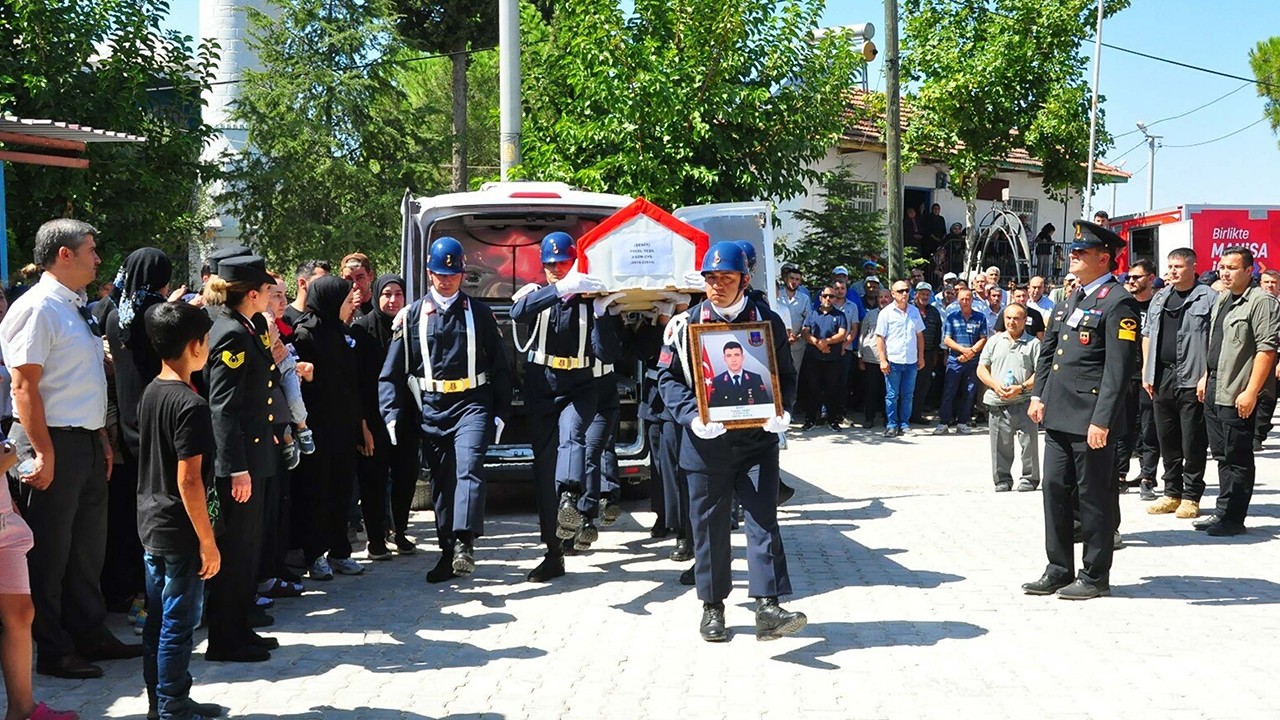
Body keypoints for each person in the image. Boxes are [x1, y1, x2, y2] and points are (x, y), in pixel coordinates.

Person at [1, 219, 141, 680]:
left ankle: (89, 632)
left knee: (85, 550)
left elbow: (82, 382)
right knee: (49, 554)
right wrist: (43, 453)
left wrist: (99, 436)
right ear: (64, 254)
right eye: (91, 249)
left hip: (80, 439)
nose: (98, 258)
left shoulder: (73, 306)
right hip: (49, 440)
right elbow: (24, 387)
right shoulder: (38, 307)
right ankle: (54, 648)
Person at [657, 242, 802, 642]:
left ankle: (768, 606)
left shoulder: (765, 321)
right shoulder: (684, 325)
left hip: (756, 443)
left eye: (727, 278)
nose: (718, 286)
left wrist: (783, 411)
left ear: (744, 279)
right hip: (706, 447)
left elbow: (786, 374)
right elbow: (666, 380)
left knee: (763, 522)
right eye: (711, 279)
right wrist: (690, 416)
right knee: (710, 530)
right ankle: (713, 607)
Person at [379, 239, 512, 580]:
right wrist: (391, 413)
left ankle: (466, 540)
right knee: (442, 483)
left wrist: (500, 411)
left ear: (462, 274)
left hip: (472, 403)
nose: (447, 280)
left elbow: (500, 366)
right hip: (433, 408)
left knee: (469, 466)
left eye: (453, 274)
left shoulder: (478, 313)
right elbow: (392, 373)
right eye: (440, 274)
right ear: (429, 274)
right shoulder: (411, 317)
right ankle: (448, 551)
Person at [1023, 220, 1139, 601]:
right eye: (1073, 251)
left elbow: (1118, 370)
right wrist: (1039, 395)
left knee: (1094, 497)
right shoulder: (1071, 297)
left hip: (1091, 418)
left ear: (1103, 258)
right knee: (1054, 487)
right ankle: (1058, 568)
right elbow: (1050, 352)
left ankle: (1094, 574)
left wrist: (1102, 419)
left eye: (1081, 252)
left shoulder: (1117, 300)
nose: (1073, 256)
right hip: (1058, 413)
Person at [509, 232, 621, 581]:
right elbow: (518, 311)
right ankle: (553, 553)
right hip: (542, 383)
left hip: (581, 384)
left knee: (572, 435)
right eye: (551, 265)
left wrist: (603, 314)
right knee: (543, 470)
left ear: (576, 262)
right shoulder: (538, 293)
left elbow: (608, 354)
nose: (557, 270)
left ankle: (571, 497)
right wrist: (558, 289)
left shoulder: (593, 298)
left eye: (563, 264)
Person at [137, 302, 226, 720]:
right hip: (180, 528)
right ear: (195, 345)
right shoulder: (190, 406)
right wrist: (207, 542)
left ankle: (164, 700)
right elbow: (189, 480)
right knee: (179, 622)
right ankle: (172, 705)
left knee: (159, 618)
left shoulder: (154, 390)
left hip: (153, 522)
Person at [202, 255, 282, 662]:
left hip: (257, 453)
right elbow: (223, 408)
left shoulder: (250, 327)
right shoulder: (231, 333)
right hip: (241, 461)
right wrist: (236, 467)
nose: (270, 296)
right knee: (235, 550)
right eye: (267, 290)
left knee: (248, 549)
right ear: (251, 294)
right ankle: (225, 638)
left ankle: (240, 626)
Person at [1194, 247, 1279, 536]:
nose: (1225, 272)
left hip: (1238, 389)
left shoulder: (1261, 302)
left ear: (1248, 271)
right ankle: (1221, 511)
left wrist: (1252, 391)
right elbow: (1216, 343)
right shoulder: (1222, 299)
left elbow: (1266, 349)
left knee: (1238, 455)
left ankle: (1234, 518)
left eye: (1232, 267)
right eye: (1222, 267)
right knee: (1220, 454)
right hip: (1216, 385)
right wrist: (1206, 376)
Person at [2, 433, 80, 720]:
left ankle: (22, 709)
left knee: (21, 614)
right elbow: (5, 455)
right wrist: (7, 457)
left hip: (5, 524)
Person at [291, 276, 364, 583]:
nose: (350, 307)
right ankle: (315, 554)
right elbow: (299, 382)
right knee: (317, 492)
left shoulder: (340, 333)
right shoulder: (307, 334)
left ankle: (339, 550)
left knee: (340, 491)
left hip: (342, 427)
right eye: (346, 301)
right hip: (317, 427)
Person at [1142, 248, 1216, 518]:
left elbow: (1213, 341)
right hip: (1162, 376)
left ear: (1193, 267)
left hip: (1192, 377)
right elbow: (1148, 333)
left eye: (1178, 266)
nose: (1172, 271)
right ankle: (1171, 493)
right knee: (1167, 439)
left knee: (1192, 440)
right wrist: (1147, 371)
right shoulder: (1160, 297)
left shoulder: (1208, 297)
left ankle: (1191, 496)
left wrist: (1207, 375)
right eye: (1170, 266)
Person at [350, 274, 409, 562]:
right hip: (373, 419)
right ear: (376, 295)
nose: (392, 300)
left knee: (405, 476)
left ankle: (400, 532)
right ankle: (376, 539)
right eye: (386, 294)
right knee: (373, 479)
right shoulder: (362, 329)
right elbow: (357, 382)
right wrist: (362, 425)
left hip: (406, 416)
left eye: (398, 294)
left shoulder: (410, 326)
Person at [977, 304, 1040, 492]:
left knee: (1029, 444)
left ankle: (1030, 478)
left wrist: (1021, 387)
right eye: (1008, 318)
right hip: (998, 402)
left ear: (1024, 320)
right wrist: (995, 385)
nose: (1012, 322)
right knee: (999, 444)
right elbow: (981, 368)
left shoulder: (1033, 344)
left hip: (1024, 402)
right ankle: (1002, 479)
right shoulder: (994, 341)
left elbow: (1041, 372)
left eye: (1016, 318)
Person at [1115, 261, 1159, 499]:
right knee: (1123, 428)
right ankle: (1120, 475)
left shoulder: (1157, 306)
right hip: (1124, 376)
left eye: (1136, 277)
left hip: (1149, 377)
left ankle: (1148, 477)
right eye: (1128, 278)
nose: (1130, 281)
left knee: (1148, 428)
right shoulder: (1123, 305)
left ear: (1150, 278)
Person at [875, 280, 926, 438]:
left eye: (907, 290)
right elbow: (880, 338)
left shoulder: (914, 312)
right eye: (901, 291)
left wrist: (921, 356)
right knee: (892, 395)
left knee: (908, 395)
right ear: (893, 294)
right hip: (893, 361)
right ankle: (891, 424)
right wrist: (883, 360)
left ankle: (904, 424)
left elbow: (919, 335)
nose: (905, 293)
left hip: (910, 361)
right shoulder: (886, 313)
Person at [936, 287, 988, 435]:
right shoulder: (952, 317)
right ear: (958, 300)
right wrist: (964, 350)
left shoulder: (980, 317)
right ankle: (944, 422)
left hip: (973, 361)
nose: (965, 301)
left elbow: (983, 338)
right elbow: (947, 339)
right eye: (962, 299)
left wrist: (971, 352)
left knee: (969, 392)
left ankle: (963, 422)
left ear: (972, 300)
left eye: (968, 298)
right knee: (949, 391)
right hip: (955, 360)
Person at [800, 285, 848, 431]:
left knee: (832, 390)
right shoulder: (812, 314)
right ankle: (810, 420)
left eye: (831, 296)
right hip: (813, 358)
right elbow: (805, 332)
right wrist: (817, 343)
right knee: (812, 389)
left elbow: (842, 334)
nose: (828, 298)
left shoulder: (840, 315)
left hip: (833, 359)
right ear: (820, 297)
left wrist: (826, 342)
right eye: (825, 296)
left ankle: (833, 420)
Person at [910, 282, 943, 425]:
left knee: (923, 385)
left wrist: (935, 352)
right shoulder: (909, 309)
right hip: (910, 352)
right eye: (922, 293)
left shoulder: (934, 312)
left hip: (928, 353)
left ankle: (916, 414)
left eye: (927, 294)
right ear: (916, 294)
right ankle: (903, 415)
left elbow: (938, 333)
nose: (924, 296)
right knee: (908, 385)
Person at [858, 290, 890, 427]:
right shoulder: (870, 315)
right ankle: (869, 418)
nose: (883, 299)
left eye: (886, 297)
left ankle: (887, 418)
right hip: (871, 359)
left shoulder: (896, 315)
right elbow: (862, 335)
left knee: (887, 391)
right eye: (880, 297)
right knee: (871, 390)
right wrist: (860, 356)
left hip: (890, 359)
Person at [1255, 269, 1280, 449]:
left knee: (1268, 397)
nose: (1270, 285)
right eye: (1267, 282)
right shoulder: (1254, 304)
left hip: (1275, 356)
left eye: (1274, 282)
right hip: (1255, 355)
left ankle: (1258, 434)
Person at [709, 342, 773, 408]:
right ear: (724, 359)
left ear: (742, 357)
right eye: (729, 356)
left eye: (736, 355)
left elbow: (764, 406)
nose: (733, 360)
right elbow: (714, 409)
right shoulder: (718, 381)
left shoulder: (755, 379)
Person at [775, 265, 810, 380]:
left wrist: (799, 335)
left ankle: (793, 398)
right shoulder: (777, 295)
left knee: (794, 374)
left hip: (797, 343)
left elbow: (808, 320)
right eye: (792, 278)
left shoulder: (804, 298)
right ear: (786, 279)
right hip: (778, 342)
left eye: (797, 279)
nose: (794, 282)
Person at [284, 260, 330, 328]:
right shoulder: (283, 317)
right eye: (321, 281)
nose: (327, 286)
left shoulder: (326, 317)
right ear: (302, 283)